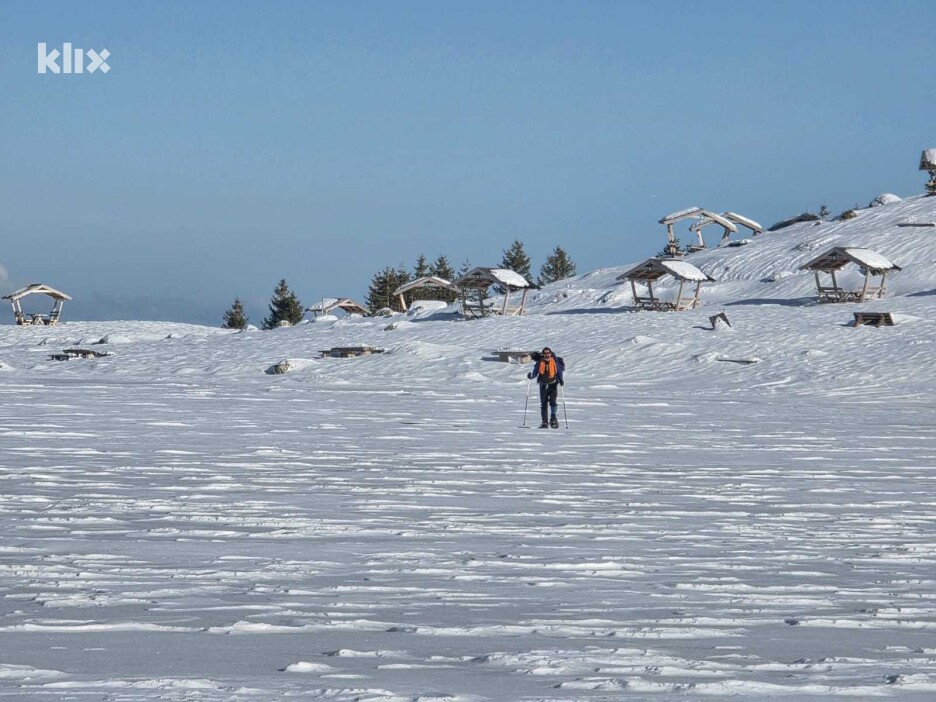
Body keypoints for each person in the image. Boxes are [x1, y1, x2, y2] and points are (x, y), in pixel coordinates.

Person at [527, 347, 564, 428]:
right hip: (543, 385)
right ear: (543, 354)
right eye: (545, 353)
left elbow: (558, 371)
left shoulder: (554, 361)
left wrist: (561, 380)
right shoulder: (540, 362)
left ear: (550, 354)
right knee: (543, 404)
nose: (547, 355)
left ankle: (553, 419)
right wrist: (531, 376)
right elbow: (535, 372)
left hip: (553, 385)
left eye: (548, 353)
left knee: (553, 403)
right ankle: (544, 422)